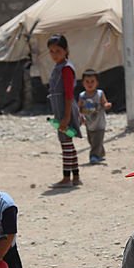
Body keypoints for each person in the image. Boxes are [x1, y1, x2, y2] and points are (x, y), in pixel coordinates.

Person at [46, 35, 82, 189]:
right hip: (60, 110)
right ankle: (75, 176)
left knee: (66, 143)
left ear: (66, 50)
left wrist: (66, 116)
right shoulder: (59, 67)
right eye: (51, 51)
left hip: (65, 110)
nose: (54, 54)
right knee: (68, 144)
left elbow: (68, 94)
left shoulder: (66, 69)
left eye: (58, 51)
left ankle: (67, 178)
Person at [78, 69, 112, 164]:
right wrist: (80, 117)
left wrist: (106, 105)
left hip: (99, 122)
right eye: (87, 82)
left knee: (97, 139)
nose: (90, 84)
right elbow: (79, 107)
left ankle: (94, 156)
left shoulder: (99, 93)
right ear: (83, 83)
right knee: (92, 140)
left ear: (97, 83)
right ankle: (100, 153)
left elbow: (104, 102)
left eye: (92, 81)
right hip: (89, 122)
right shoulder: (82, 96)